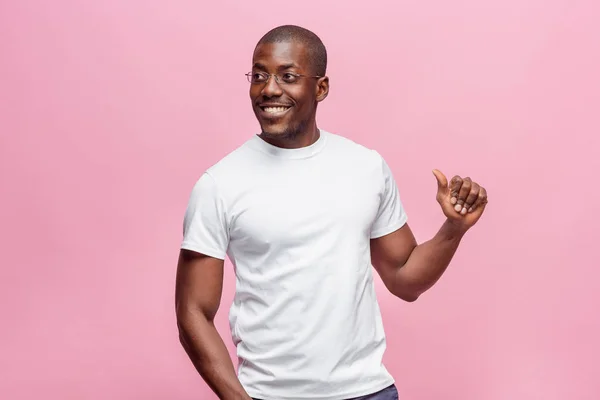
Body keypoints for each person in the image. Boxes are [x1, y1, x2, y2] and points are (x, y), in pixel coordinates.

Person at [175, 25, 488, 400]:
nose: (269, 89)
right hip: (270, 395)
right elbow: (193, 311)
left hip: (368, 392)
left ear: (320, 88)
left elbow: (405, 281)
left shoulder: (365, 167)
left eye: (287, 76)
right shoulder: (219, 184)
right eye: (259, 76)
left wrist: (453, 229)